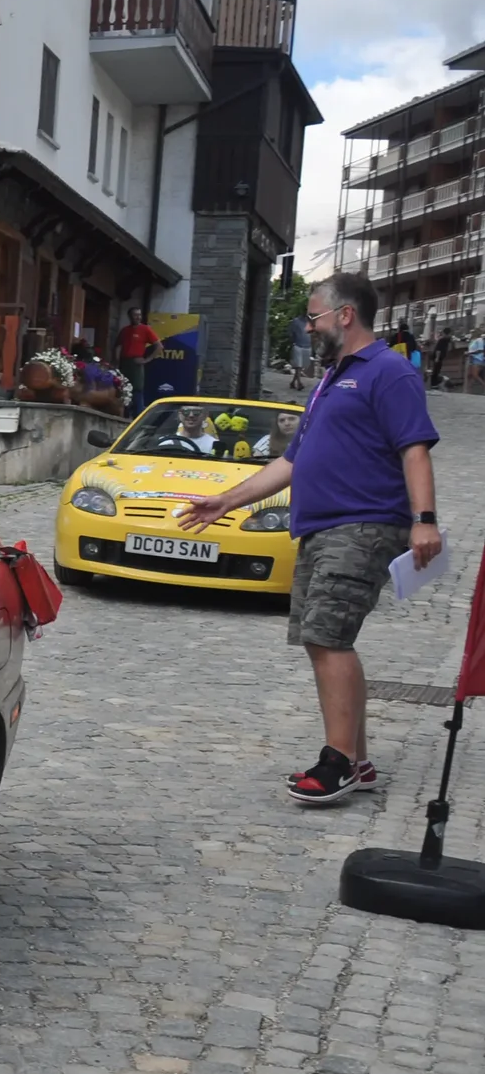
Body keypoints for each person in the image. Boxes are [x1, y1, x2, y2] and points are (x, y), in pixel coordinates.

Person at [178, 271, 440, 805]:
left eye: (314, 316)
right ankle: (357, 761)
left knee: (327, 636)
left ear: (345, 315)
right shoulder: (330, 379)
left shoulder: (388, 372)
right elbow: (291, 460)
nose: (308, 326)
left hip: (363, 524)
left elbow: (415, 447)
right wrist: (228, 500)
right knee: (325, 639)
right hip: (320, 527)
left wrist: (425, 518)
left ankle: (337, 763)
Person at [117, 311, 160, 394]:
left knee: (137, 389)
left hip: (136, 363)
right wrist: (117, 360)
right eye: (135, 315)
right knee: (122, 388)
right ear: (130, 316)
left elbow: (159, 346)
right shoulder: (125, 330)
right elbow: (118, 346)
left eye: (139, 315)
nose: (138, 317)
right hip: (124, 362)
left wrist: (147, 360)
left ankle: (138, 407)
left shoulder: (145, 329)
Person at [289, 311, 313, 392]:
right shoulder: (296, 321)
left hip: (307, 346)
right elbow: (290, 333)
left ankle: (292, 382)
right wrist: (293, 342)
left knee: (301, 366)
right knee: (298, 366)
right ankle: (299, 383)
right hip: (298, 345)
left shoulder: (310, 322)